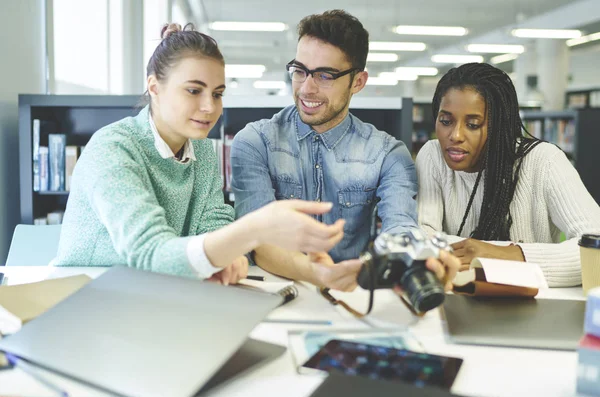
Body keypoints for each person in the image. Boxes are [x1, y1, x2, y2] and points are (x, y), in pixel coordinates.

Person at [54, 23, 345, 285]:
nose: (210, 107)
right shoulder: (112, 148)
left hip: (160, 289)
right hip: (88, 293)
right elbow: (149, 252)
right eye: (194, 91)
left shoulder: (201, 146)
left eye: (217, 94)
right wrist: (254, 229)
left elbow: (212, 220)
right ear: (154, 87)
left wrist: (228, 256)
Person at [231, 10, 459, 292]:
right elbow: (259, 240)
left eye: (325, 75)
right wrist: (320, 275)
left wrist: (419, 260)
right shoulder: (254, 142)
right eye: (300, 71)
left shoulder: (388, 154)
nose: (306, 88)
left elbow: (400, 225)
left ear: (358, 82)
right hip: (272, 293)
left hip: (352, 293)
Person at [416, 62, 600, 287]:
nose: (455, 135)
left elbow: (595, 247)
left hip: (533, 311)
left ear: (499, 126)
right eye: (446, 121)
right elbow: (421, 238)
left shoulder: (544, 161)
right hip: (458, 304)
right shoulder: (432, 155)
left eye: (473, 124)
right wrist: (476, 252)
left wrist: (510, 255)